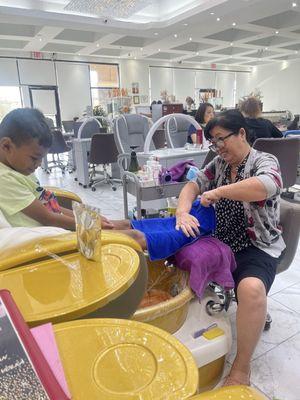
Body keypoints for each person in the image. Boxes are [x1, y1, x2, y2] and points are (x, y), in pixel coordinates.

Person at [175, 109, 284, 386]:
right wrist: (182, 212)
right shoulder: (219, 164)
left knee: (251, 289)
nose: (219, 147)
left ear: (242, 134)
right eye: (214, 142)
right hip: (221, 242)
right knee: (175, 249)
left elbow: (265, 186)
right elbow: (193, 184)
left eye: (222, 139)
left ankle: (241, 367)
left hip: (255, 246)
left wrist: (220, 191)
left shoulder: (264, 161)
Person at [0, 108, 114, 231]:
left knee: (121, 225)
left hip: (56, 228)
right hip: (46, 241)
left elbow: (52, 208)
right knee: (134, 235)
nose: (38, 165)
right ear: (6, 145)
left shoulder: (20, 169)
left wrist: (90, 217)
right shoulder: (4, 179)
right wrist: (91, 224)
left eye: (41, 159)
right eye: (34, 158)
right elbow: (48, 218)